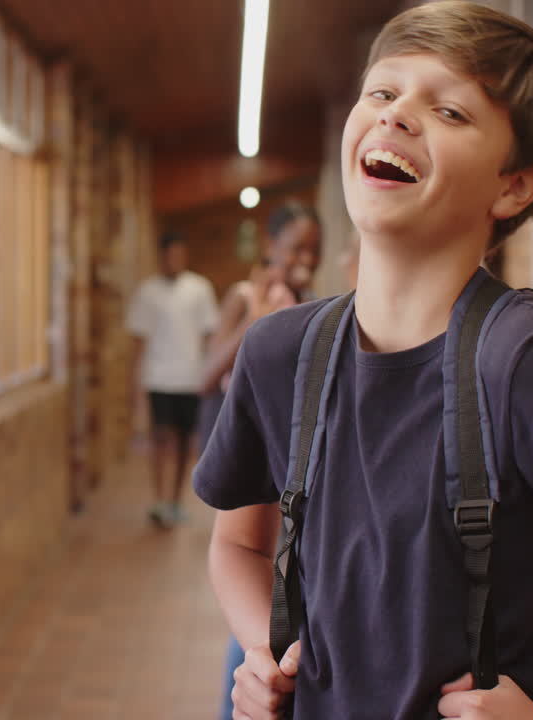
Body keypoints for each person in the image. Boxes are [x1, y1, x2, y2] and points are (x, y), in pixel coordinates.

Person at [193, 3, 533, 718]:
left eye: (450, 112)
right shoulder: (281, 354)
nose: (396, 116)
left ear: (515, 186)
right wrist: (259, 655)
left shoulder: (532, 371)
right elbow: (238, 547)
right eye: (383, 92)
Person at [202, 202, 322, 720]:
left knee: (285, 584)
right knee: (257, 625)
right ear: (271, 245)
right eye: (296, 247)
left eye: (313, 251)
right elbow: (205, 373)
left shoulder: (319, 314)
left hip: (294, 487)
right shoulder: (244, 298)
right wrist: (256, 325)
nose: (305, 260)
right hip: (251, 475)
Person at [126, 231, 219, 528]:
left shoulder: (199, 289)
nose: (174, 260)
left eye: (179, 254)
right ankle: (159, 499)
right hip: (158, 378)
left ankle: (177, 500)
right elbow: (138, 341)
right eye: (169, 255)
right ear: (162, 257)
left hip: (189, 378)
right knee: (160, 438)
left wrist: (211, 376)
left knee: (182, 442)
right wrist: (135, 383)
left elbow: (210, 336)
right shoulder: (147, 292)